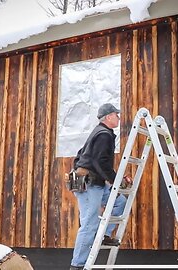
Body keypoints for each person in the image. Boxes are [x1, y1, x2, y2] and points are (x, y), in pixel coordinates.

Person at [70, 103, 130, 270]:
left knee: (120, 202)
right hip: (90, 185)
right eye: (116, 115)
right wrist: (114, 180)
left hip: (95, 183)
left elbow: (80, 155)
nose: (118, 118)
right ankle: (77, 265)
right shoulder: (104, 134)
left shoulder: (99, 133)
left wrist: (113, 178)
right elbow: (99, 161)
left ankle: (103, 235)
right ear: (109, 117)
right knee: (89, 224)